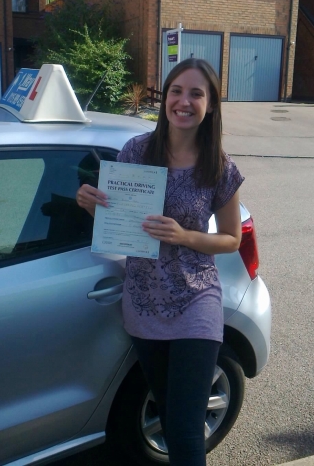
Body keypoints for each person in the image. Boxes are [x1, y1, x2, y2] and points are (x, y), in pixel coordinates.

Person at [76, 58, 244, 466]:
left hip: (195, 302)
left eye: (196, 93)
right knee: (169, 417)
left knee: (187, 433)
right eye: (176, 91)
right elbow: (123, 225)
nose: (184, 101)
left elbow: (232, 239)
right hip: (143, 302)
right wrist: (91, 206)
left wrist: (185, 236)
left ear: (211, 106)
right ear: (164, 97)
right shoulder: (136, 151)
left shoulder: (218, 167)